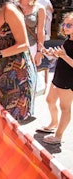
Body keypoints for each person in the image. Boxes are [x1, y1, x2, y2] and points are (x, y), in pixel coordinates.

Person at [37, 12, 73, 144]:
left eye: (69, 25)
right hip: (59, 76)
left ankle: (58, 136)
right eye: (64, 24)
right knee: (50, 100)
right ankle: (53, 123)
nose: (65, 27)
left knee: (65, 107)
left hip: (68, 80)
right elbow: (62, 56)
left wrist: (62, 55)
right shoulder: (67, 40)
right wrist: (51, 54)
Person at [16, 0, 46, 67]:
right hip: (13, 46)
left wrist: (39, 52)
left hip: (31, 47)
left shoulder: (39, 8)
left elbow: (40, 31)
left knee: (28, 77)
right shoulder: (13, 6)